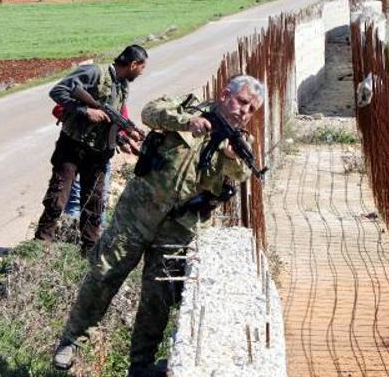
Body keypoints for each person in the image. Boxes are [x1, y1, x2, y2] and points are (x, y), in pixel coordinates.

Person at [51, 75, 266, 376]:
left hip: (177, 229)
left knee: (156, 301)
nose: (244, 111)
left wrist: (231, 156)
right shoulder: (187, 107)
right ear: (224, 94)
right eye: (242, 102)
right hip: (136, 214)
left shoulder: (240, 142)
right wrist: (186, 121)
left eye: (252, 109)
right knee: (103, 274)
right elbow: (149, 112)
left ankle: (140, 366)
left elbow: (241, 174)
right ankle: (71, 340)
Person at [34, 45, 146, 253]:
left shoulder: (122, 86)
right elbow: (57, 91)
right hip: (72, 146)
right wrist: (84, 110)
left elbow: (113, 119)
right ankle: (41, 246)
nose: (142, 72)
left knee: (94, 204)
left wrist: (126, 135)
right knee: (58, 197)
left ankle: (90, 251)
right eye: (142, 67)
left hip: (98, 153)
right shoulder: (95, 73)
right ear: (133, 64)